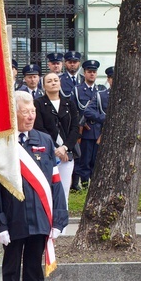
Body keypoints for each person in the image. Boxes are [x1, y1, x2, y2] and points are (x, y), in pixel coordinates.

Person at [0, 91, 68, 281]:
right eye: (25, 111)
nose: (31, 116)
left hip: (40, 216)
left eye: (33, 111)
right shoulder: (2, 142)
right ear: (14, 114)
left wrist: (58, 219)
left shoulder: (44, 140)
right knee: (12, 267)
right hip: (13, 217)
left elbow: (55, 183)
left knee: (34, 267)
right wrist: (0, 224)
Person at [33, 72, 80, 205]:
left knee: (64, 192)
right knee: (48, 191)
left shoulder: (69, 104)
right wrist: (55, 149)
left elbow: (75, 128)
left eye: (55, 80)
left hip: (66, 154)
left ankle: (62, 225)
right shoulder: (39, 104)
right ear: (43, 86)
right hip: (48, 153)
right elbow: (40, 129)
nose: (53, 83)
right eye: (49, 81)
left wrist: (64, 148)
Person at [74, 60, 106, 188]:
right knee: (84, 160)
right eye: (89, 72)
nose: (92, 74)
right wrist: (79, 126)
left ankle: (94, 186)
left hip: (98, 130)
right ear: (85, 73)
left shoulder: (101, 90)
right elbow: (73, 110)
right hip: (85, 131)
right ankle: (84, 184)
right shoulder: (78, 90)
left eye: (94, 72)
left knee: (96, 160)